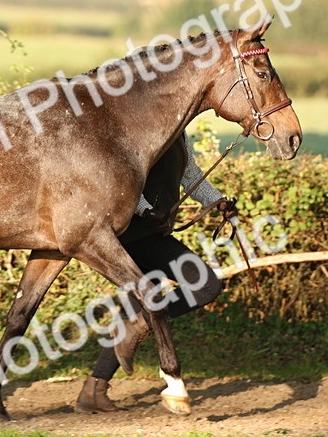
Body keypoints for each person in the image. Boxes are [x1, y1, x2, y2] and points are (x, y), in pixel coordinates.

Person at [74, 131, 232, 413]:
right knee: (205, 285)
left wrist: (217, 200)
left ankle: (93, 390)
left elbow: (190, 175)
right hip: (134, 236)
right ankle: (139, 325)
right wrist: (146, 211)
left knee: (136, 314)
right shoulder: (142, 127)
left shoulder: (180, 134)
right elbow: (121, 180)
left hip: (154, 234)